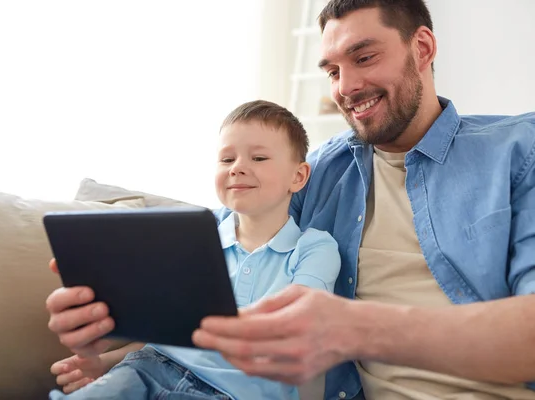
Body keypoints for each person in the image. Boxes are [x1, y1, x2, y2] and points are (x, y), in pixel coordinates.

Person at [192, 1, 535, 399]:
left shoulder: (518, 152)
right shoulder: (317, 172)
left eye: (365, 57)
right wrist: (119, 329)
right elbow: (215, 242)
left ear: (422, 49)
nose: (345, 87)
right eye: (333, 71)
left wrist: (354, 327)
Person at [46, 100, 341, 399]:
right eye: (227, 160)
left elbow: (299, 326)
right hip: (146, 370)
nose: (238, 168)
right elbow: (166, 329)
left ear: (298, 176)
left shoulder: (315, 248)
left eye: (259, 157)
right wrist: (103, 363)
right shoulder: (196, 233)